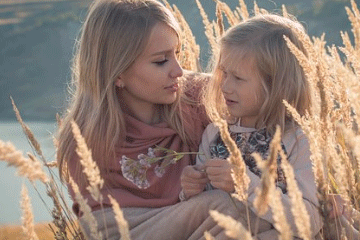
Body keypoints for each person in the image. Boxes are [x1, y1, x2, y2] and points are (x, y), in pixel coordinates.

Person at [56, 0, 258, 239]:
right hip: (128, 229)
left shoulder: (200, 97)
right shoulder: (84, 139)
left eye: (178, 53)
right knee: (221, 207)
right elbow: (100, 226)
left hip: (204, 225)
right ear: (117, 71)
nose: (179, 71)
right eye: (161, 61)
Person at [181, 14, 323, 239]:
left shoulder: (296, 140)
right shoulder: (216, 134)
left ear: (276, 85)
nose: (225, 86)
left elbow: (308, 221)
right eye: (223, 73)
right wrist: (189, 190)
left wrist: (244, 183)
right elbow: (204, 211)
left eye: (238, 77)